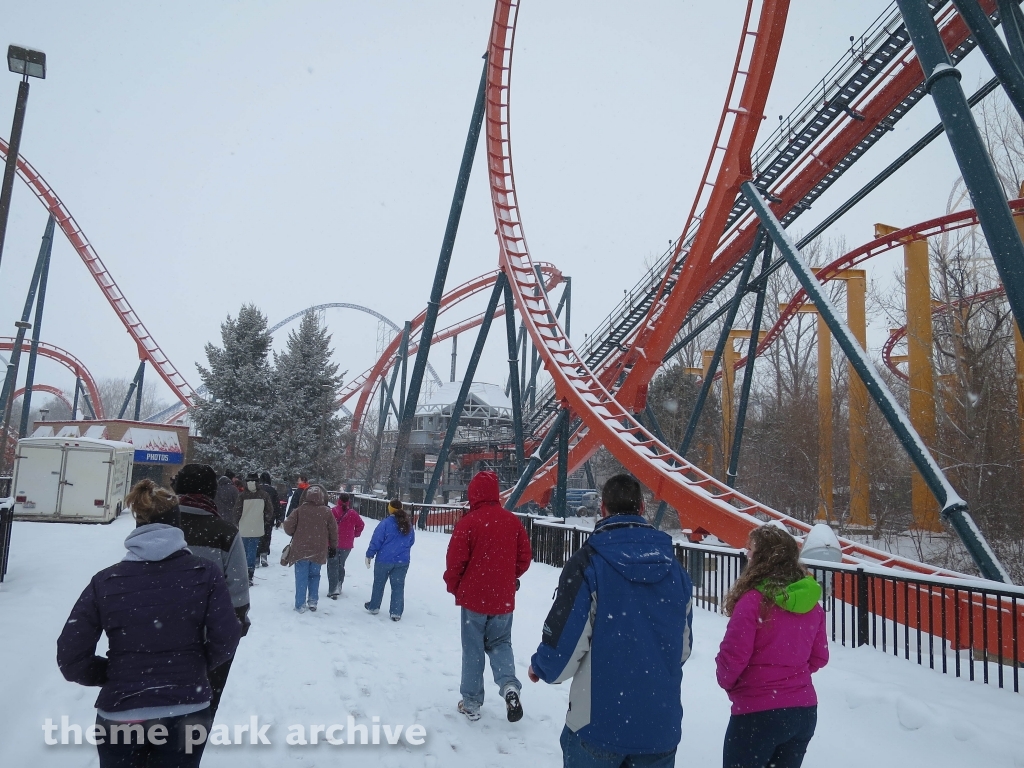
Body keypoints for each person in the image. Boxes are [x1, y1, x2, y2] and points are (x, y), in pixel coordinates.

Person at [57, 480, 241, 768]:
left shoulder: (106, 581)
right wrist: (195, 667)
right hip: (187, 711)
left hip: (121, 713)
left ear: (138, 522)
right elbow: (227, 636)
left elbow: (71, 655)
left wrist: (111, 673)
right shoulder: (205, 573)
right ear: (176, 524)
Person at [528, 473, 693, 767]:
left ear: (602, 509)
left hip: (600, 724)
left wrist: (543, 666)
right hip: (659, 726)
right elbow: (682, 648)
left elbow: (567, 641)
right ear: (642, 508)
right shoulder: (675, 569)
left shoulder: (589, 562)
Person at [716, 524, 828, 768]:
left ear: (764, 559)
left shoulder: (754, 601)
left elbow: (733, 657)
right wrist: (790, 676)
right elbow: (819, 657)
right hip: (803, 712)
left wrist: (730, 683)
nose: (747, 555)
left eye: (751, 550)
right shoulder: (812, 604)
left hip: (757, 714)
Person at [443, 470, 532, 723]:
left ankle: (471, 702)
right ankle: (509, 687)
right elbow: (524, 556)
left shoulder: (469, 523)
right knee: (501, 643)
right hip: (503, 598)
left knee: (473, 649)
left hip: (474, 599)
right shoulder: (512, 521)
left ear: (473, 494)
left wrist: (456, 587)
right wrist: (508, 576)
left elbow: (455, 562)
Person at [168, 464, 251, 717]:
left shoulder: (159, 526)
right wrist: (235, 627)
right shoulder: (225, 533)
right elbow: (237, 591)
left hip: (153, 635)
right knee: (199, 713)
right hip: (207, 639)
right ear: (211, 492)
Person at [282, 484, 338, 613]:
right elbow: (333, 530)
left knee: (301, 576)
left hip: (301, 549)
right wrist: (333, 546)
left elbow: (287, 526)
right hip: (318, 549)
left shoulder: (299, 510)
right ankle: (313, 601)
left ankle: (300, 604)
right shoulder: (326, 512)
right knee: (315, 575)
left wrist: (295, 532)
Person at [364, 498, 415, 620]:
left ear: (390, 509)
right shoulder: (408, 524)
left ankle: (374, 606)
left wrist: (369, 554)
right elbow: (411, 541)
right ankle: (396, 612)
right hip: (402, 561)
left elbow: (376, 541)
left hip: (384, 560)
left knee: (379, 584)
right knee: (398, 586)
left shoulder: (385, 524)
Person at [234, 473, 273, 585]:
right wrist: (263, 520)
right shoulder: (264, 495)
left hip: (244, 526)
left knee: (244, 551)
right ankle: (250, 574)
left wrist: (237, 522)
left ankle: (244, 572)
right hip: (257, 526)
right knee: (252, 550)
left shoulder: (242, 495)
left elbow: (237, 511)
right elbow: (269, 511)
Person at [328, 492, 364, 598]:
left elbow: (327, 525)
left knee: (332, 565)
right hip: (347, 544)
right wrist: (355, 534)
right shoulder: (352, 513)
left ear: (338, 500)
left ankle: (333, 588)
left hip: (333, 543)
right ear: (348, 501)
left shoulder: (332, 512)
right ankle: (339, 584)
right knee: (340, 565)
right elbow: (361, 525)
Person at [257, 471, 280, 567]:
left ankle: (256, 556)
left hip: (257, 516)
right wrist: (278, 517)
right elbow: (277, 505)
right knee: (267, 536)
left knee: (257, 536)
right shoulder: (272, 490)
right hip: (269, 517)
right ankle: (264, 555)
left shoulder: (257, 489)